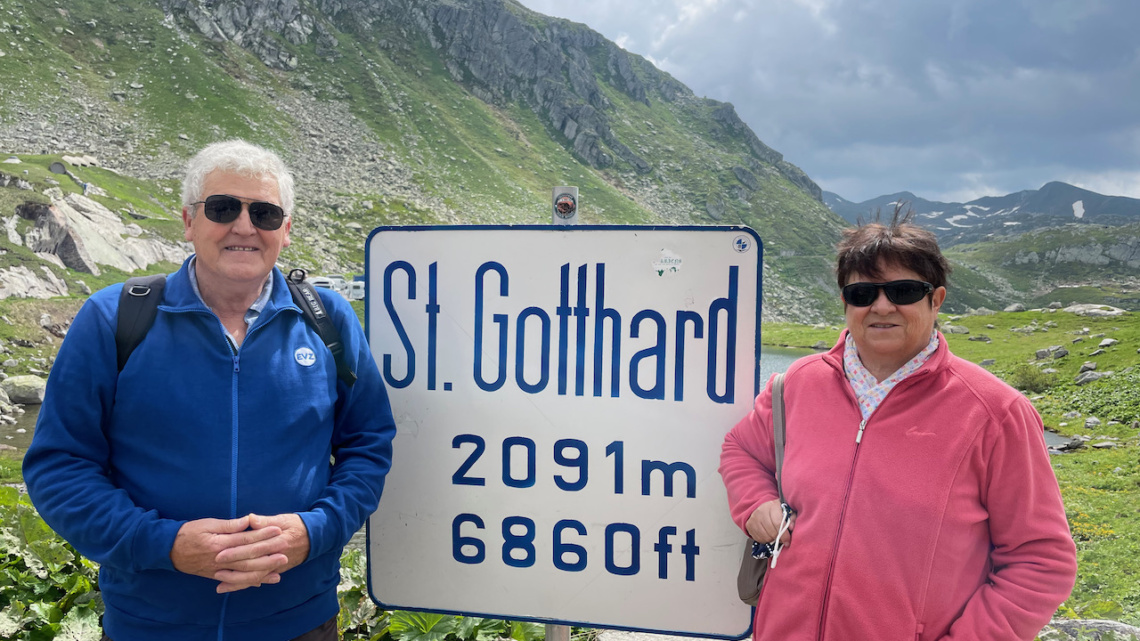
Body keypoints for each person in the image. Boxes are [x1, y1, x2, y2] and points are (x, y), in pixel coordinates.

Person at [23, 140, 397, 641]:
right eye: (223, 208)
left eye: (264, 213)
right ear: (188, 221)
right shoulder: (114, 319)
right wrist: (164, 544)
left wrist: (315, 532)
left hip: (302, 623)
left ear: (284, 231)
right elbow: (59, 467)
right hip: (149, 627)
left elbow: (367, 445)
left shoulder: (330, 321)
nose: (244, 226)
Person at [719, 208, 1077, 640]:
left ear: (936, 299)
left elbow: (1040, 559)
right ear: (846, 303)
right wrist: (755, 504)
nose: (882, 305)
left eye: (904, 290)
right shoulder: (797, 382)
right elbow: (740, 450)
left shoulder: (995, 413)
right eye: (863, 292)